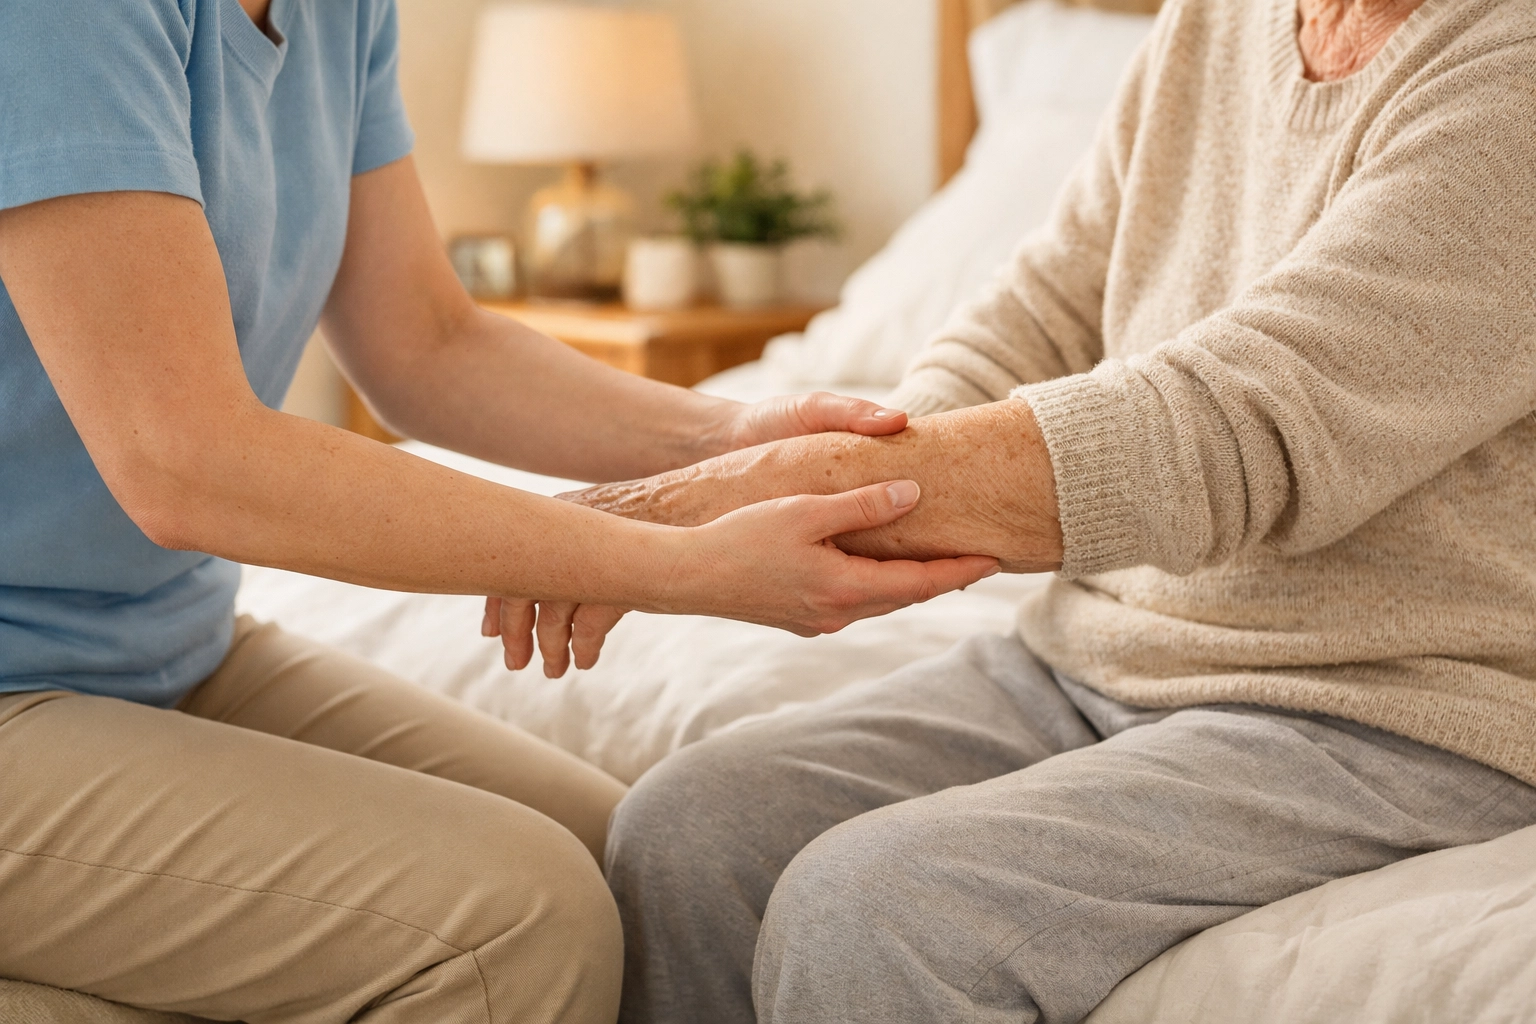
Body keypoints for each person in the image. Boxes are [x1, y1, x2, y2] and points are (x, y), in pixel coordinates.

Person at [518, 0, 1536, 1021]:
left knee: (874, 910)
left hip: (1394, 706)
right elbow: (1046, 305)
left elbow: (1232, 427)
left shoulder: (1513, 71)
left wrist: (793, 483)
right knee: (687, 831)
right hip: (1092, 657)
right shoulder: (1216, 19)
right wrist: (872, 452)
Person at [0, 1, 998, 1022]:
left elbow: (428, 341)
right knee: (518, 925)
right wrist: (667, 562)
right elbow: (187, 462)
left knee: (635, 863)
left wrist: (728, 436)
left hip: (169, 648)